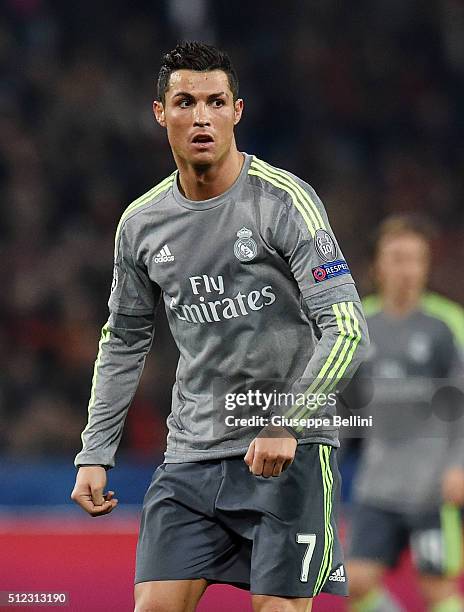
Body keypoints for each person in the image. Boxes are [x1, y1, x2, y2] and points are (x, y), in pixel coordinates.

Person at [71, 41, 369, 612]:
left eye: (215, 101)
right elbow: (125, 340)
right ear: (160, 112)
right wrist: (94, 451)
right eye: (185, 102)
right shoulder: (141, 224)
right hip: (191, 455)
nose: (201, 116)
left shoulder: (284, 203)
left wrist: (290, 423)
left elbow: (347, 326)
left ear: (237, 111)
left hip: (289, 452)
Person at [345, 215, 464, 612]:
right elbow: (342, 399)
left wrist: (458, 465)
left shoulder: (447, 325)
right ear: (378, 265)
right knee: (357, 583)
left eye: (415, 259)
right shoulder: (358, 323)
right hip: (377, 483)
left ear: (427, 265)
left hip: (433, 487)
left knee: (437, 588)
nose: (406, 269)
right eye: (396, 258)